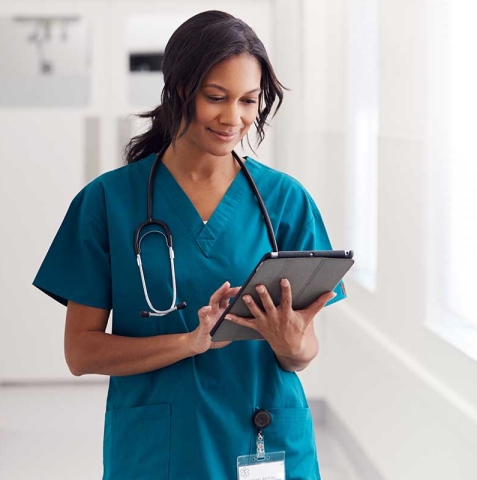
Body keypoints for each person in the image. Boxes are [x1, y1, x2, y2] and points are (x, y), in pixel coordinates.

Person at [33, 10, 344, 480]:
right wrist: (190, 342)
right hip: (159, 447)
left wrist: (292, 343)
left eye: (248, 101)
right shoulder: (108, 202)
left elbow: (302, 351)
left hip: (264, 436)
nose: (233, 117)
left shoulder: (285, 202)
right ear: (179, 90)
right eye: (216, 97)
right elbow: (81, 352)